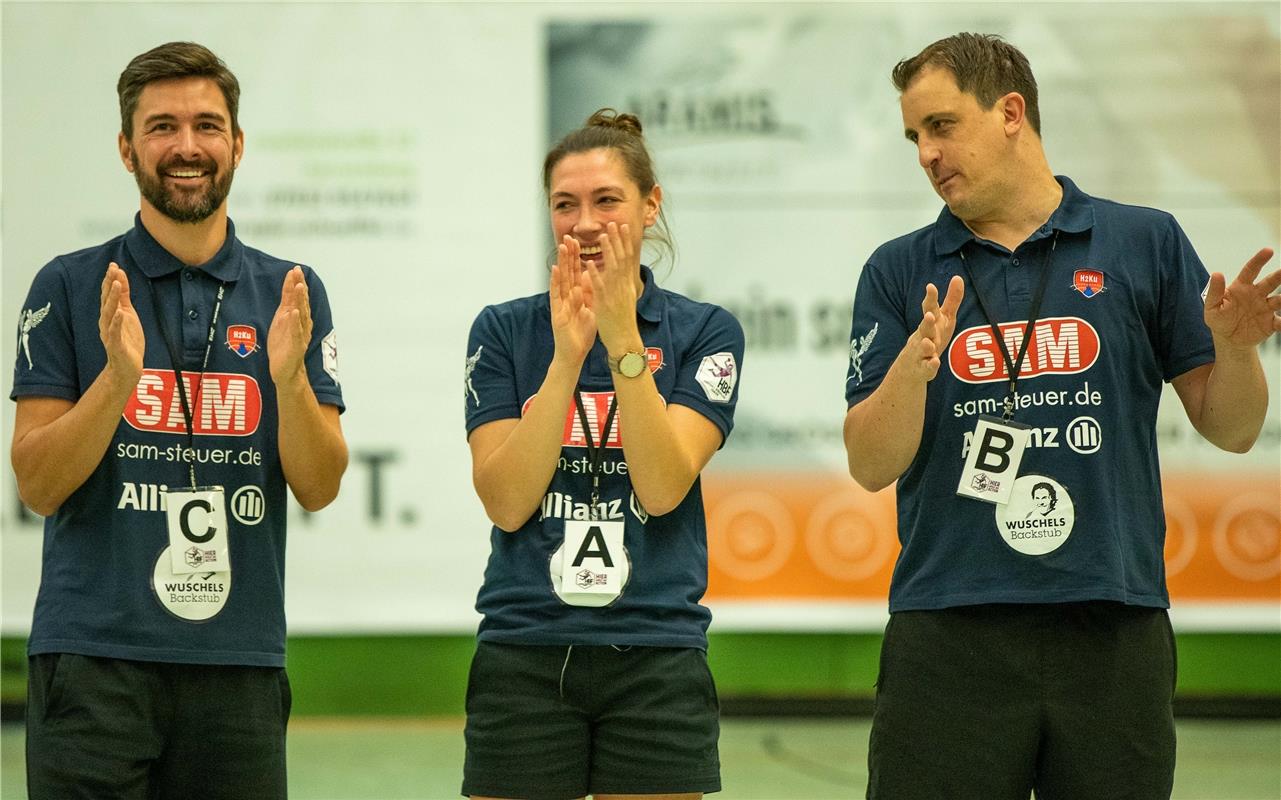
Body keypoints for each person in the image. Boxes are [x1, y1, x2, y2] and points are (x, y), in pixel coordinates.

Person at [842, 33, 1279, 800]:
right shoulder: (898, 269)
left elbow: (1232, 428)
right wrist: (911, 373)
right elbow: (870, 464)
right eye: (914, 136)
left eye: (941, 126)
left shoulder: (1141, 241)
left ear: (1010, 112)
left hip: (1111, 622)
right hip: (949, 625)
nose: (925, 153)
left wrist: (1234, 352)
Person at [10, 42, 348, 799]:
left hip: (239, 665)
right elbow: (36, 481)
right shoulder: (69, 285)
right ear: (127, 148)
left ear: (237, 143)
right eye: (162, 127)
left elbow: (320, 484)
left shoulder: (291, 291)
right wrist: (118, 382)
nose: (186, 147)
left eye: (206, 125)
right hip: (93, 662)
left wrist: (289, 380)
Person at [461, 108, 743, 800]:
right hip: (525, 650)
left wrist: (620, 340)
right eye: (565, 205)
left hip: (655, 654)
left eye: (606, 200)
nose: (583, 223)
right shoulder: (503, 331)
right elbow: (505, 501)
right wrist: (564, 361)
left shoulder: (706, 332)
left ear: (650, 207)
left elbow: (661, 487)